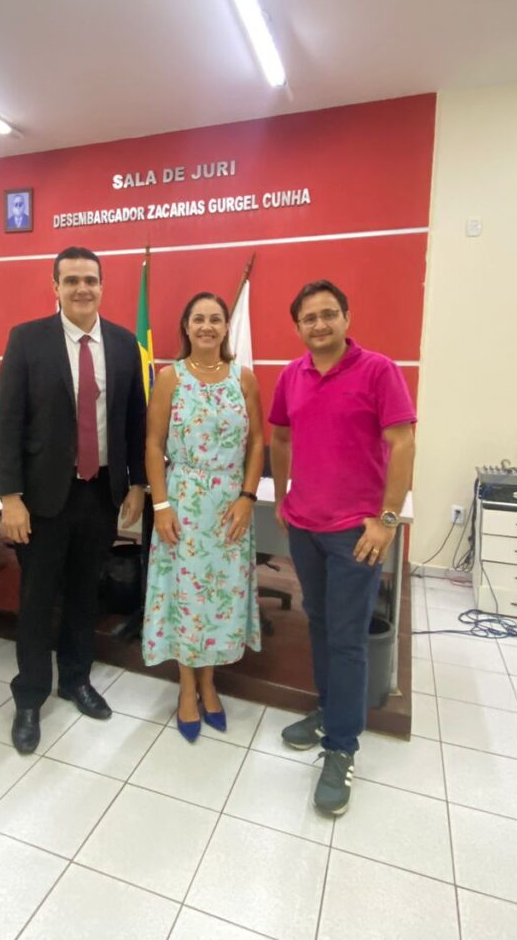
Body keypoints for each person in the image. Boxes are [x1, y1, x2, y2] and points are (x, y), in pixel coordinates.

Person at [269, 279, 415, 814]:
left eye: (329, 314)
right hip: (305, 527)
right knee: (322, 624)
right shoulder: (292, 374)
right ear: (298, 326)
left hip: (357, 532)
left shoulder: (379, 370)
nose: (320, 324)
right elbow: (280, 437)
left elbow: (403, 442)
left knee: (349, 637)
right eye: (309, 317)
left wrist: (387, 519)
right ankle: (331, 711)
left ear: (347, 317)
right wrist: (284, 496)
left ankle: (342, 748)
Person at [0, 246, 146, 753]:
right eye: (72, 279)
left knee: (86, 593)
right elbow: (8, 422)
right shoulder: (27, 340)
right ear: (54, 286)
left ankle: (76, 679)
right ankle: (30, 695)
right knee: (38, 597)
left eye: (91, 279)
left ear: (103, 286)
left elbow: (134, 422)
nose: (83, 288)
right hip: (40, 498)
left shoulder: (124, 345)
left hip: (100, 492)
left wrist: (139, 485)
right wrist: (10, 497)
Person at [142, 292, 264, 741]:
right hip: (184, 503)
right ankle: (187, 688)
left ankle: (211, 682)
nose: (207, 326)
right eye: (199, 319)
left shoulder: (244, 379)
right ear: (186, 327)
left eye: (216, 319)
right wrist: (161, 506)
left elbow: (256, 443)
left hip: (229, 506)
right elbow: (154, 445)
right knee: (186, 598)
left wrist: (248, 497)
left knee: (219, 600)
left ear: (226, 326)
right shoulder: (169, 378)